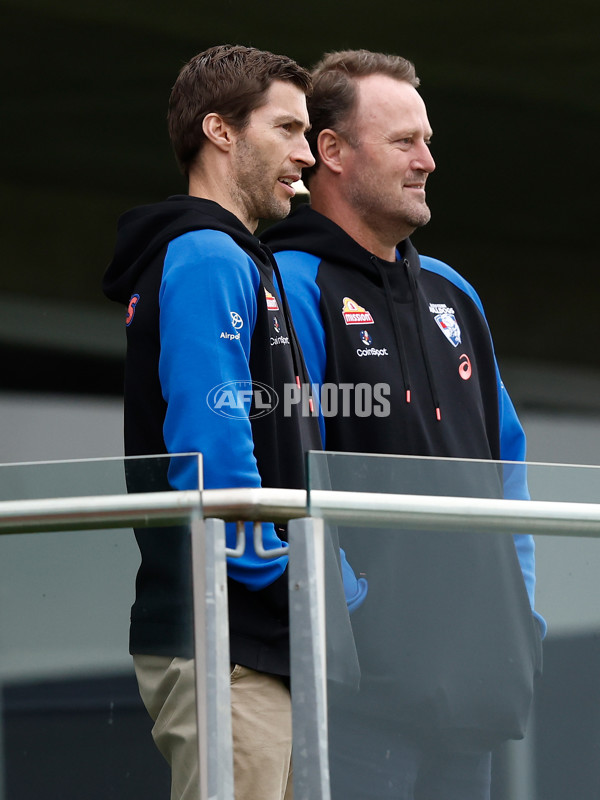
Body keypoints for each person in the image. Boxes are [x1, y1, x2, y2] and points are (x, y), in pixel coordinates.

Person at [262, 49, 545, 800]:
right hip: (361, 691)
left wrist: (520, 606)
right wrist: (360, 616)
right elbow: (281, 466)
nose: (426, 161)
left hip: (474, 679)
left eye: (427, 141)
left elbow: (505, 463)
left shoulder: (454, 293)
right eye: (403, 143)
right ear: (331, 152)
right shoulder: (288, 286)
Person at [102, 44, 363, 800]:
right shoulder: (208, 254)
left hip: (255, 638)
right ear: (220, 131)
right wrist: (294, 578)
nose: (305, 155)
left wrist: (329, 585)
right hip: (228, 638)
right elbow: (211, 449)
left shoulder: (242, 257)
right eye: (286, 129)